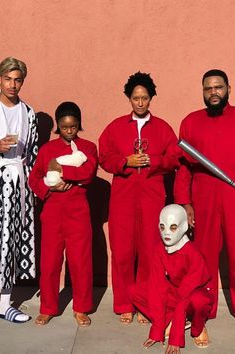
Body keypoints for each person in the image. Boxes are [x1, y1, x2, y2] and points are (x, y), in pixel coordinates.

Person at [99, 72, 180, 324]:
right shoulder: (115, 127)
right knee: (122, 252)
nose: (141, 102)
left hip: (152, 197)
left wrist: (153, 161)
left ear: (151, 98)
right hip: (123, 198)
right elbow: (104, 157)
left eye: (145, 98)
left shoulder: (163, 128)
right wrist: (125, 161)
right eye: (136, 98)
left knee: (149, 251)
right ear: (129, 99)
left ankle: (145, 302)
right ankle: (125, 303)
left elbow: (174, 157)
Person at [29, 101, 98, 326]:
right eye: (65, 127)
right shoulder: (47, 149)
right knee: (49, 262)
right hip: (52, 212)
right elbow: (34, 178)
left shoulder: (88, 147)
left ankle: (81, 308)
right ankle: (48, 307)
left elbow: (88, 172)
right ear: (58, 126)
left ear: (79, 125)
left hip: (78, 212)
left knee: (80, 263)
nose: (69, 131)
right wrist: (50, 187)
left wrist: (62, 171)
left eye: (74, 126)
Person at [174, 69, 235, 319]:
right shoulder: (191, 121)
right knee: (204, 255)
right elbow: (184, 169)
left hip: (233, 196)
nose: (213, 93)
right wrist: (185, 203)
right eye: (208, 88)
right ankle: (204, 308)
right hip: (204, 199)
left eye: (218, 87)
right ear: (202, 91)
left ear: (228, 89)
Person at [130, 204, 214, 353]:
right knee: (134, 291)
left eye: (173, 227)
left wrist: (175, 338)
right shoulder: (159, 249)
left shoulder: (193, 254)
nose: (166, 233)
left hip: (193, 295)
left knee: (199, 301)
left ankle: (197, 326)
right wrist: (156, 331)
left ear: (183, 228)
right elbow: (157, 288)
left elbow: (185, 295)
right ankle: (168, 321)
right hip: (175, 292)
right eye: (162, 227)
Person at [0, 57, 38, 323]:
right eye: (8, 79)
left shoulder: (29, 113)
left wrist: (31, 186)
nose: (13, 85)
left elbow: (33, 153)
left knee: (10, 240)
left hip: (17, 185)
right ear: (0, 79)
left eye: (18, 80)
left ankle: (4, 302)